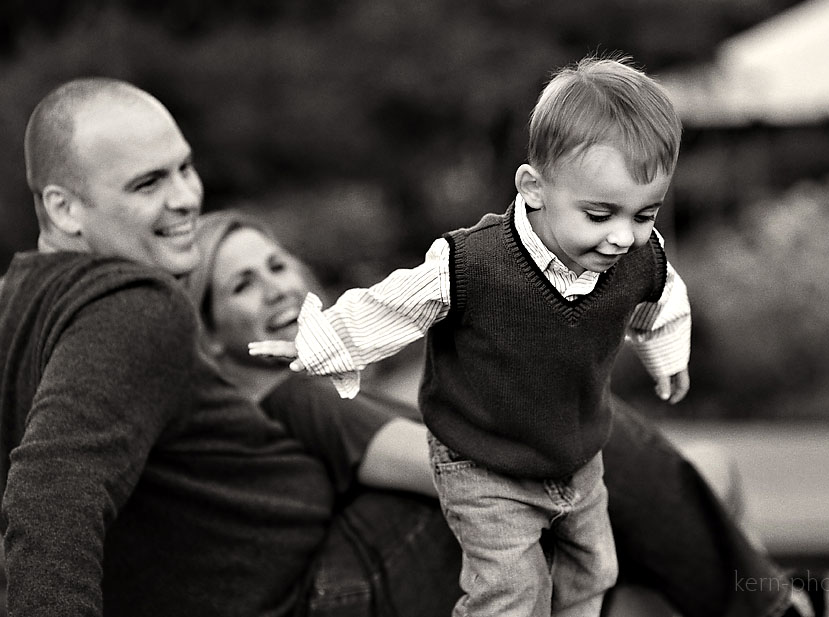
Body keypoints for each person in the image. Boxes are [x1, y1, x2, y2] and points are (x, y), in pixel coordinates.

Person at [0, 76, 821, 617]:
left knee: (619, 512)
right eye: (147, 184)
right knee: (562, 446)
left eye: (183, 168)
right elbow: (51, 489)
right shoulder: (136, 304)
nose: (184, 196)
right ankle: (771, 606)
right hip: (335, 577)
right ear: (64, 207)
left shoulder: (19, 302)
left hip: (319, 566)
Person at [249, 55, 799, 617]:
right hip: (482, 462)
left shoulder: (640, 258)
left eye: (644, 215)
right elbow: (392, 306)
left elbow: (661, 303)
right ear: (533, 188)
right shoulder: (472, 264)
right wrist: (318, 344)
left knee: (595, 570)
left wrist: (667, 359)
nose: (622, 237)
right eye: (600, 214)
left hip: (576, 455)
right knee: (511, 590)